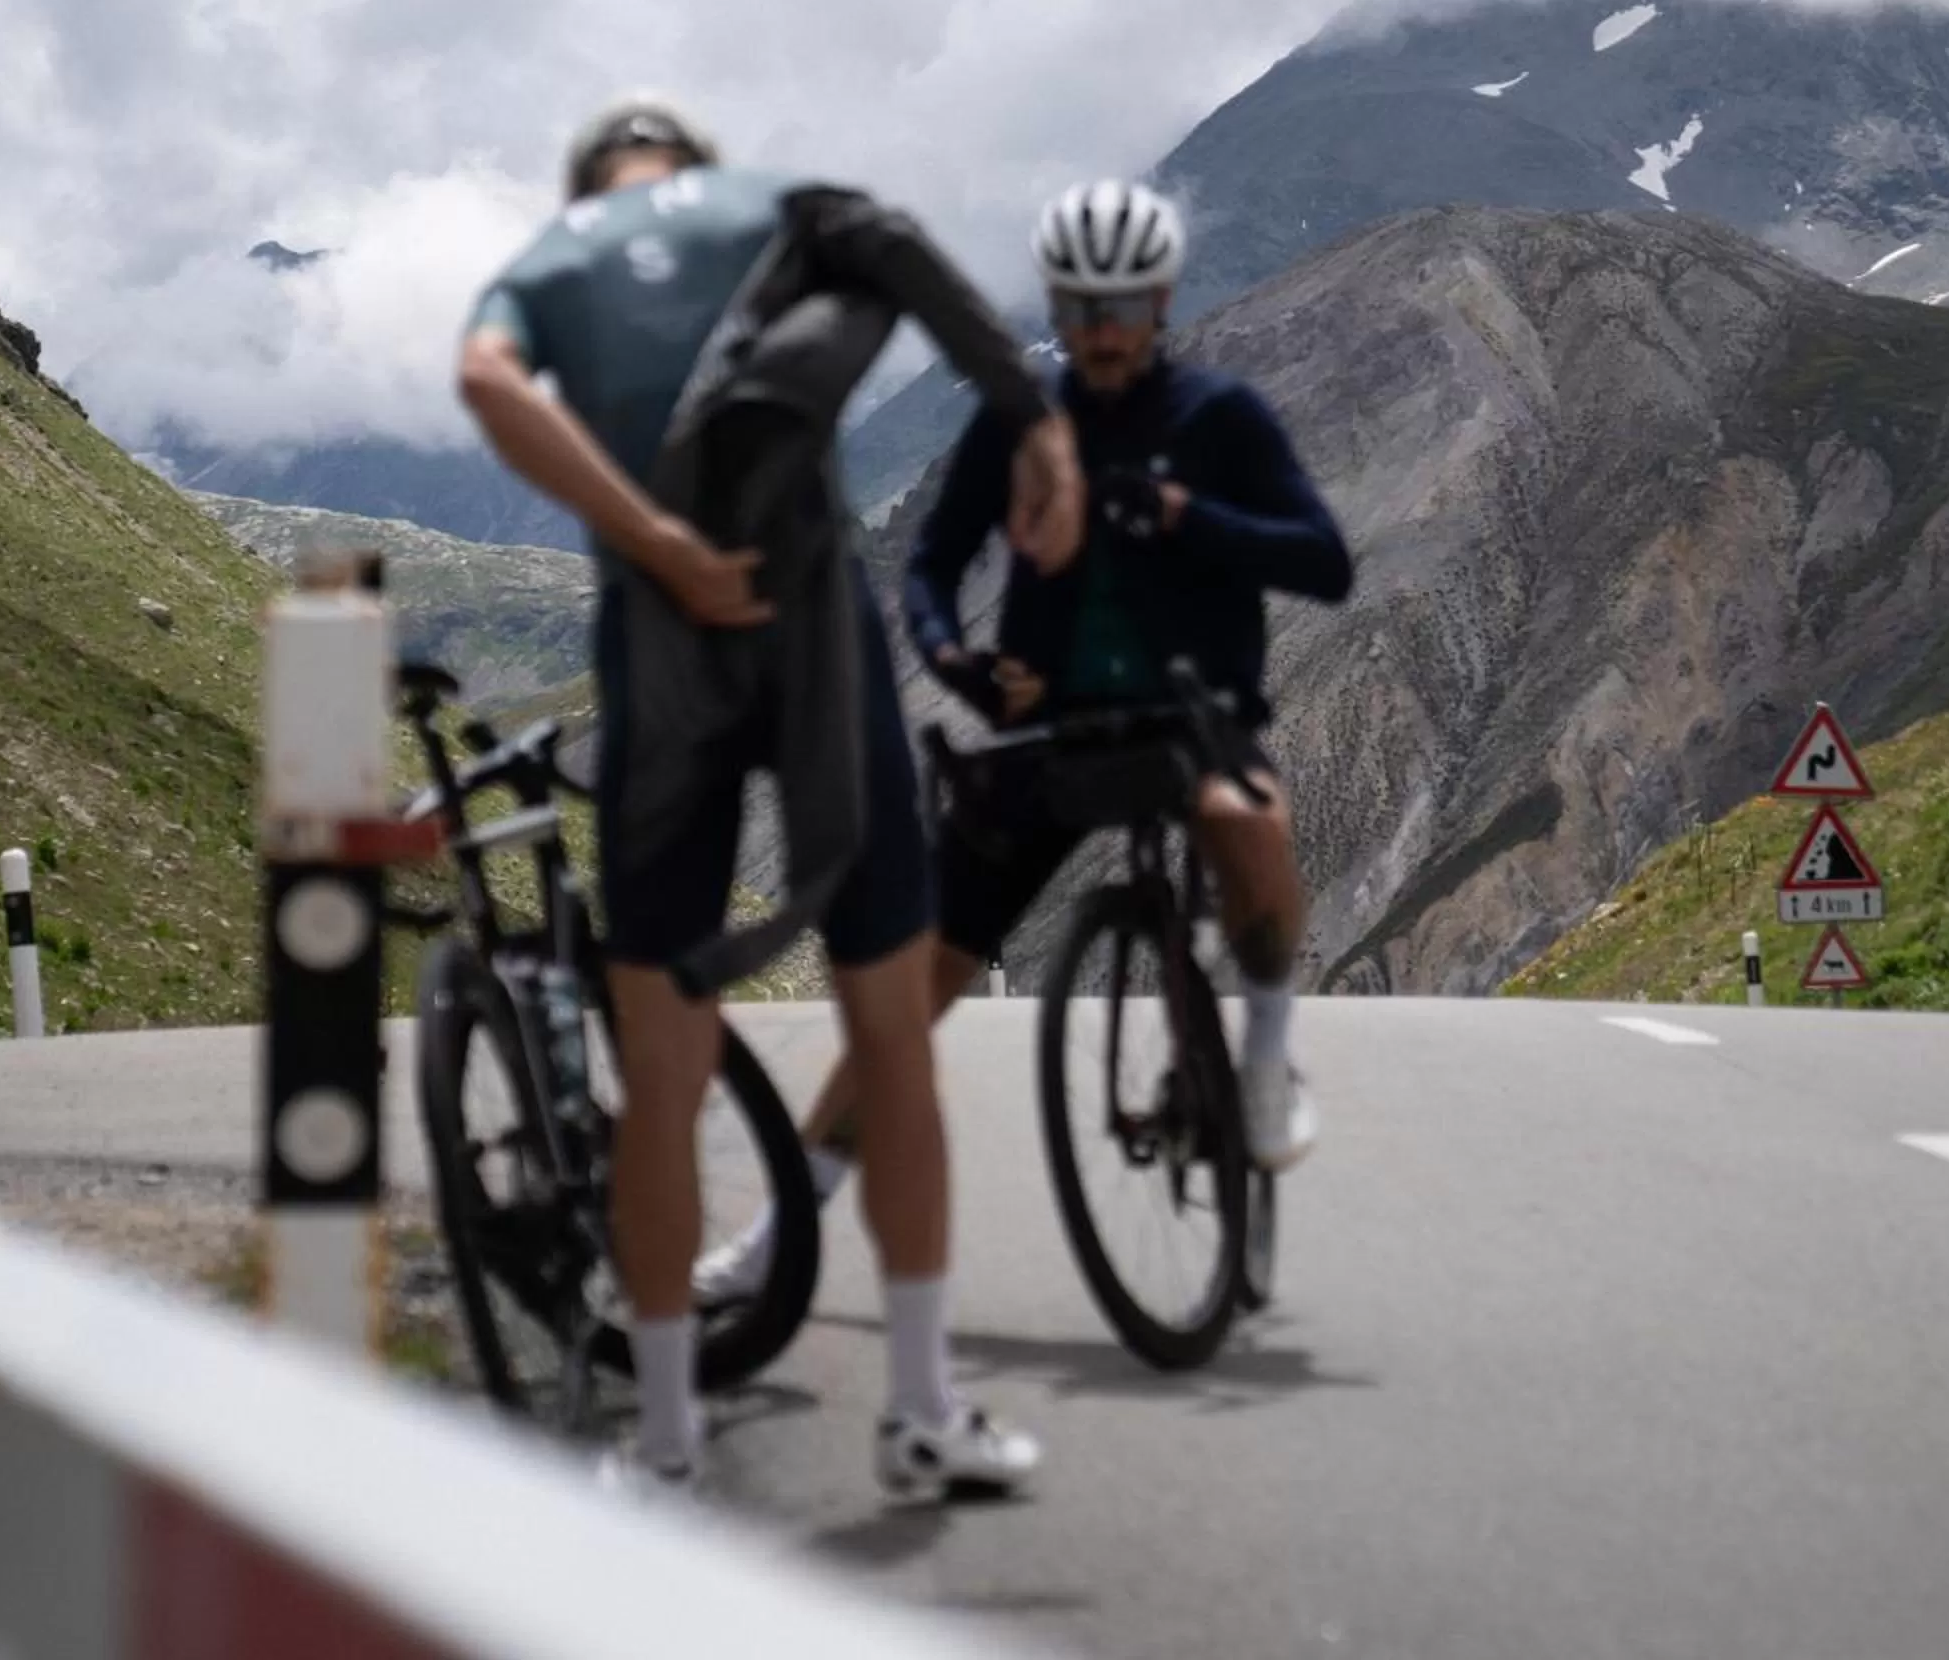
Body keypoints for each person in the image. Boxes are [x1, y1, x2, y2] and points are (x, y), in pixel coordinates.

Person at [455, 97, 1083, 1498]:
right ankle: (921, 1411)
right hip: (816, 643)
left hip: (661, 645)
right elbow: (906, 253)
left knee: (663, 1076)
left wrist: (655, 538)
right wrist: (1034, 424)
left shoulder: (556, 258)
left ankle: (667, 1446)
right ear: (697, 168)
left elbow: (489, 384)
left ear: (589, 185)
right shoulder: (772, 209)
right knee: (893, 1045)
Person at [697, 178, 1353, 1306]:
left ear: (1160, 303)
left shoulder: (1220, 419)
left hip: (1196, 715)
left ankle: (1260, 1057)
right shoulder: (1020, 424)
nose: (1103, 330)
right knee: (911, 996)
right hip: (1051, 731)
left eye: (1124, 306)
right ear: (1057, 303)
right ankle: (775, 1240)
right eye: (1081, 306)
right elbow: (931, 566)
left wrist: (1189, 517)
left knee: (1245, 816)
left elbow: (1324, 562)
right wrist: (955, 659)